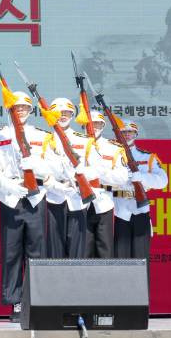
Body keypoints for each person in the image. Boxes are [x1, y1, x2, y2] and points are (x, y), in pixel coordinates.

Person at [0, 91, 64, 322]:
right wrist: (7, 185)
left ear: (30, 110)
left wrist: (37, 164)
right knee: (11, 253)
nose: (20, 110)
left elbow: (58, 167)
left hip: (36, 197)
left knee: (37, 253)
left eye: (24, 107)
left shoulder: (43, 136)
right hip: (11, 198)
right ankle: (16, 303)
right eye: (15, 107)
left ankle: (35, 301)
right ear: (8, 109)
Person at [43, 98, 106, 259]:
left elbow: (100, 167)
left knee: (76, 251)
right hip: (55, 197)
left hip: (78, 198)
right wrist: (57, 187)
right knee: (54, 251)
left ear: (72, 114)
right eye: (59, 113)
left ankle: (75, 284)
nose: (63, 116)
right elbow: (41, 172)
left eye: (66, 113)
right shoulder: (45, 140)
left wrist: (83, 172)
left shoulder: (83, 140)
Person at [113, 119, 168, 261]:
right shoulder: (111, 156)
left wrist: (141, 177)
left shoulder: (147, 157)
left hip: (141, 208)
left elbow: (163, 181)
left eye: (129, 131)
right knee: (120, 256)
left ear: (135, 134)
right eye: (123, 132)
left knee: (141, 257)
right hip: (118, 208)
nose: (126, 134)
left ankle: (142, 284)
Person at [82, 111, 128, 259]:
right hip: (81, 201)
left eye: (97, 123)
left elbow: (122, 176)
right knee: (83, 251)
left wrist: (100, 173)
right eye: (90, 123)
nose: (93, 126)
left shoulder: (113, 148)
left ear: (103, 125)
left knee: (105, 249)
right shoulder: (76, 145)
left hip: (105, 201)